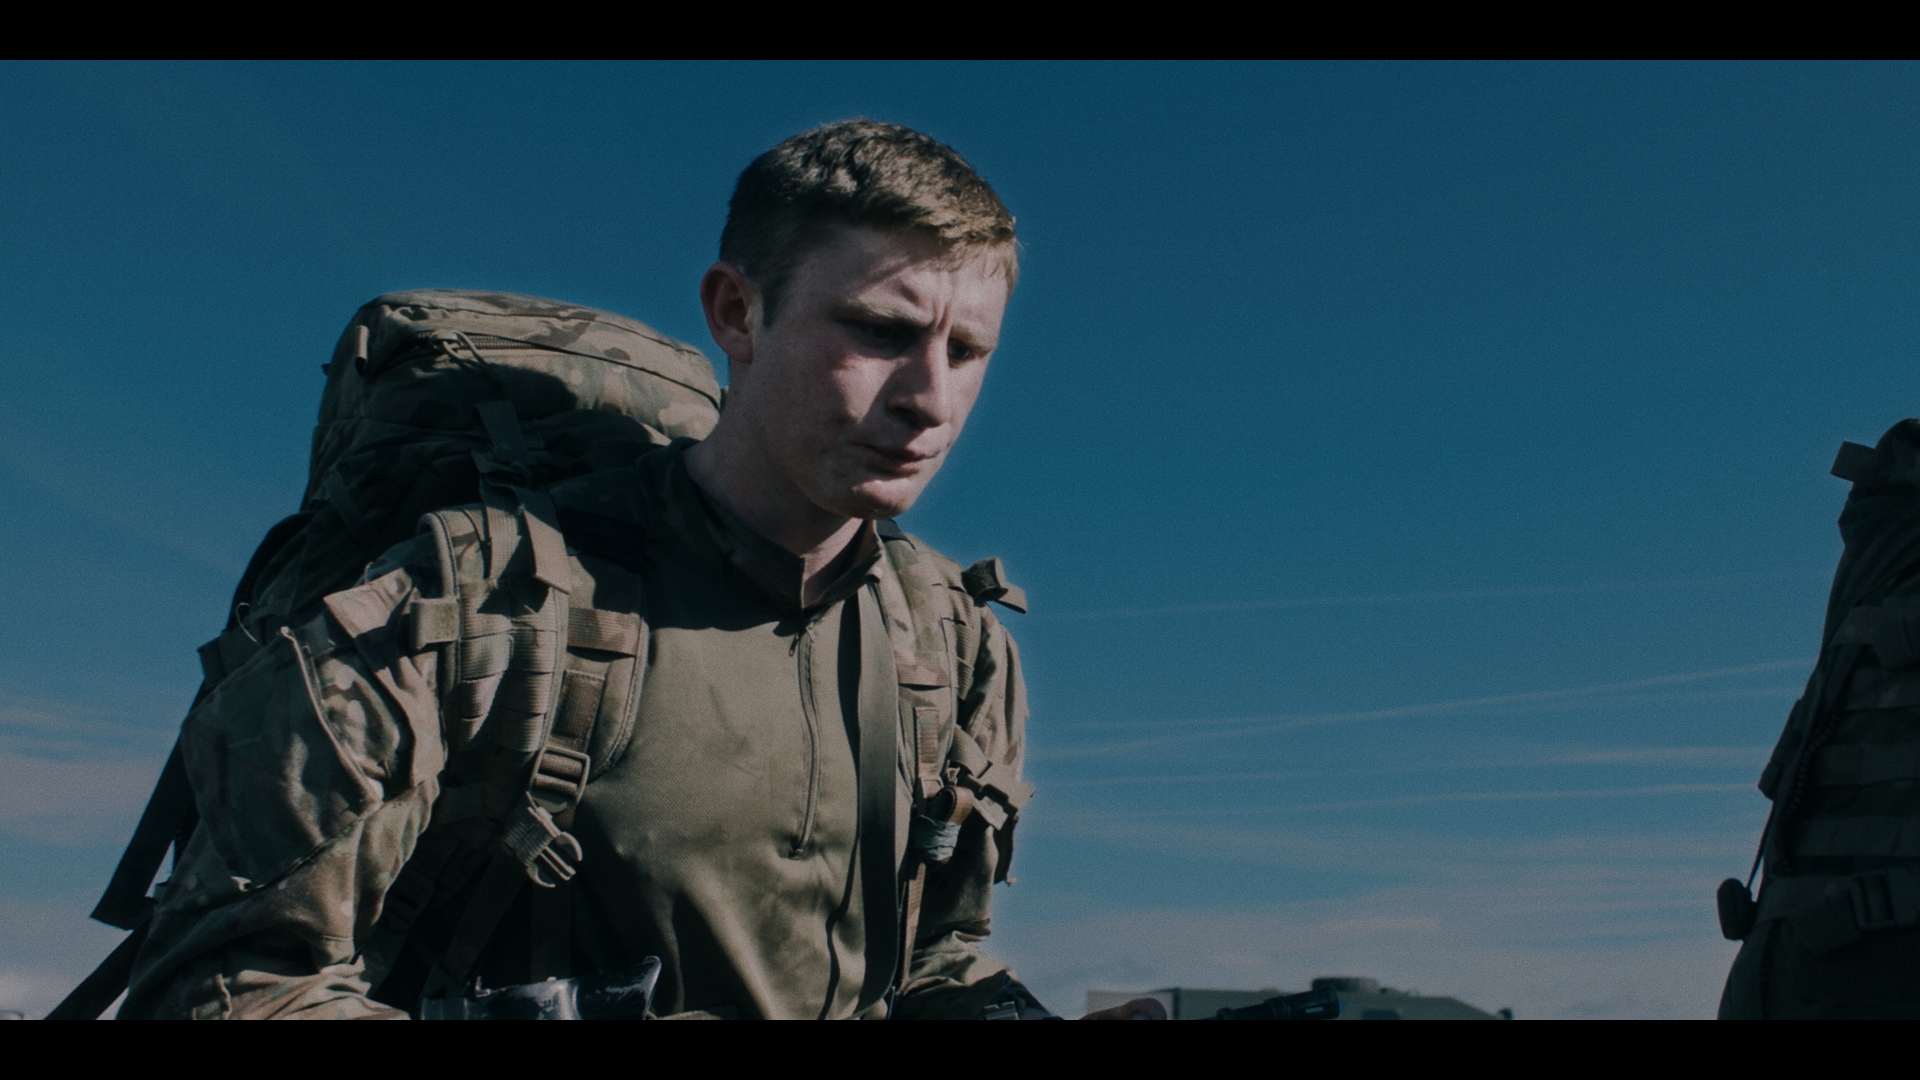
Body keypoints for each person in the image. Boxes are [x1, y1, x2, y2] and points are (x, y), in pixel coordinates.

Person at [118, 120, 1165, 1020]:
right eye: (880, 331)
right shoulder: (483, 604)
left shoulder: (954, 644)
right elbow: (226, 983)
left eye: (967, 351)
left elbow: (931, 957)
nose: (929, 399)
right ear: (737, 312)